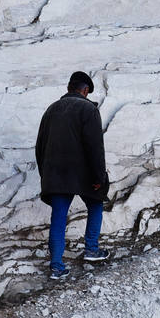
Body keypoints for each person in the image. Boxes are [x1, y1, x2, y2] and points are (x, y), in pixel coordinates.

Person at [35, 71, 112, 280]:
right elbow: (95, 146)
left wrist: (45, 174)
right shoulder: (88, 109)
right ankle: (91, 250)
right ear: (85, 90)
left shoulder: (50, 110)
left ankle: (56, 266)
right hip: (82, 174)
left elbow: (39, 146)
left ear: (69, 87)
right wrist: (99, 177)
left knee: (58, 218)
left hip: (56, 175)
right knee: (95, 204)